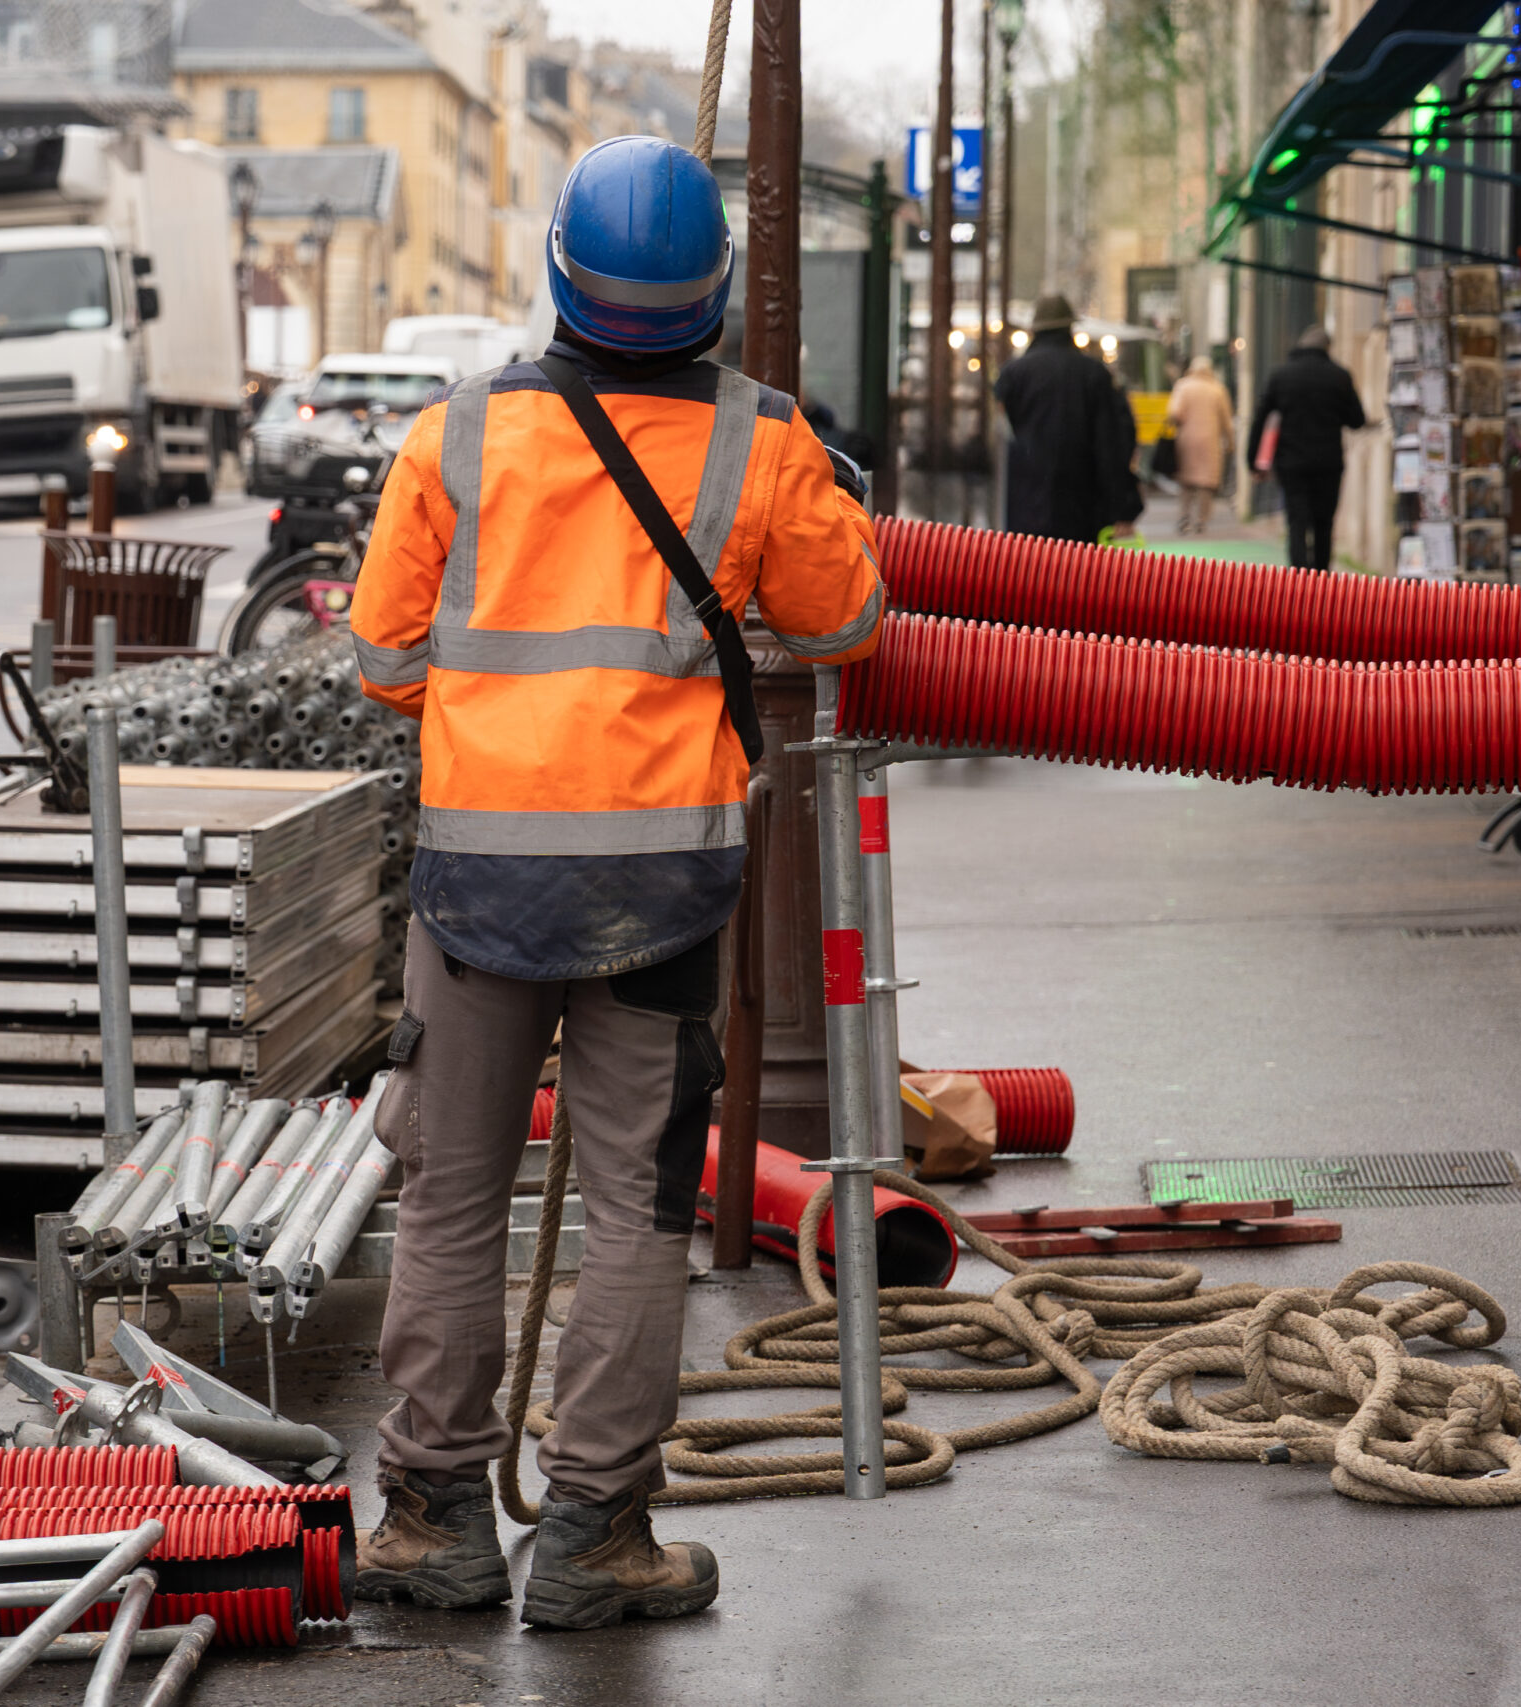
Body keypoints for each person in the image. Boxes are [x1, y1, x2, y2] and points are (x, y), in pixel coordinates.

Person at [346, 135, 885, 1631]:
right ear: (713, 289)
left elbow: (386, 659)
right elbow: (844, 623)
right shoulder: (760, 442)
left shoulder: (456, 436)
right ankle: (592, 1532)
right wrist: (816, 489)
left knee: (453, 1200)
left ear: (560, 273)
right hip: (662, 883)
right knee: (637, 1214)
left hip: (478, 888)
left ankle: (436, 1515)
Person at [995, 294, 1144, 541]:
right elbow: (1113, 442)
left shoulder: (1014, 374)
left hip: (1025, 499)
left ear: (1035, 329)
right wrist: (1123, 506)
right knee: (1076, 575)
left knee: (1030, 573)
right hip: (1081, 501)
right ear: (1070, 327)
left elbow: (1002, 430)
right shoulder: (1094, 374)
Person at [1247, 323, 1365, 570]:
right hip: (1328, 463)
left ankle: (1299, 581)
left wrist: (1253, 461)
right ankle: (1321, 581)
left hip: (1292, 463)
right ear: (1327, 348)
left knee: (1296, 522)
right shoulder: (1339, 376)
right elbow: (1357, 420)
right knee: (1324, 523)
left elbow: (1260, 419)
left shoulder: (1281, 375)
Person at [1167, 355, 1235, 534]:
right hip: (1210, 440)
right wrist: (1230, 441)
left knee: (1186, 481)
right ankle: (1201, 520)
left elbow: (1175, 413)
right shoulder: (1217, 389)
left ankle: (1184, 516)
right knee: (1207, 482)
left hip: (1186, 440)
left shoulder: (1183, 386)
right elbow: (1226, 420)